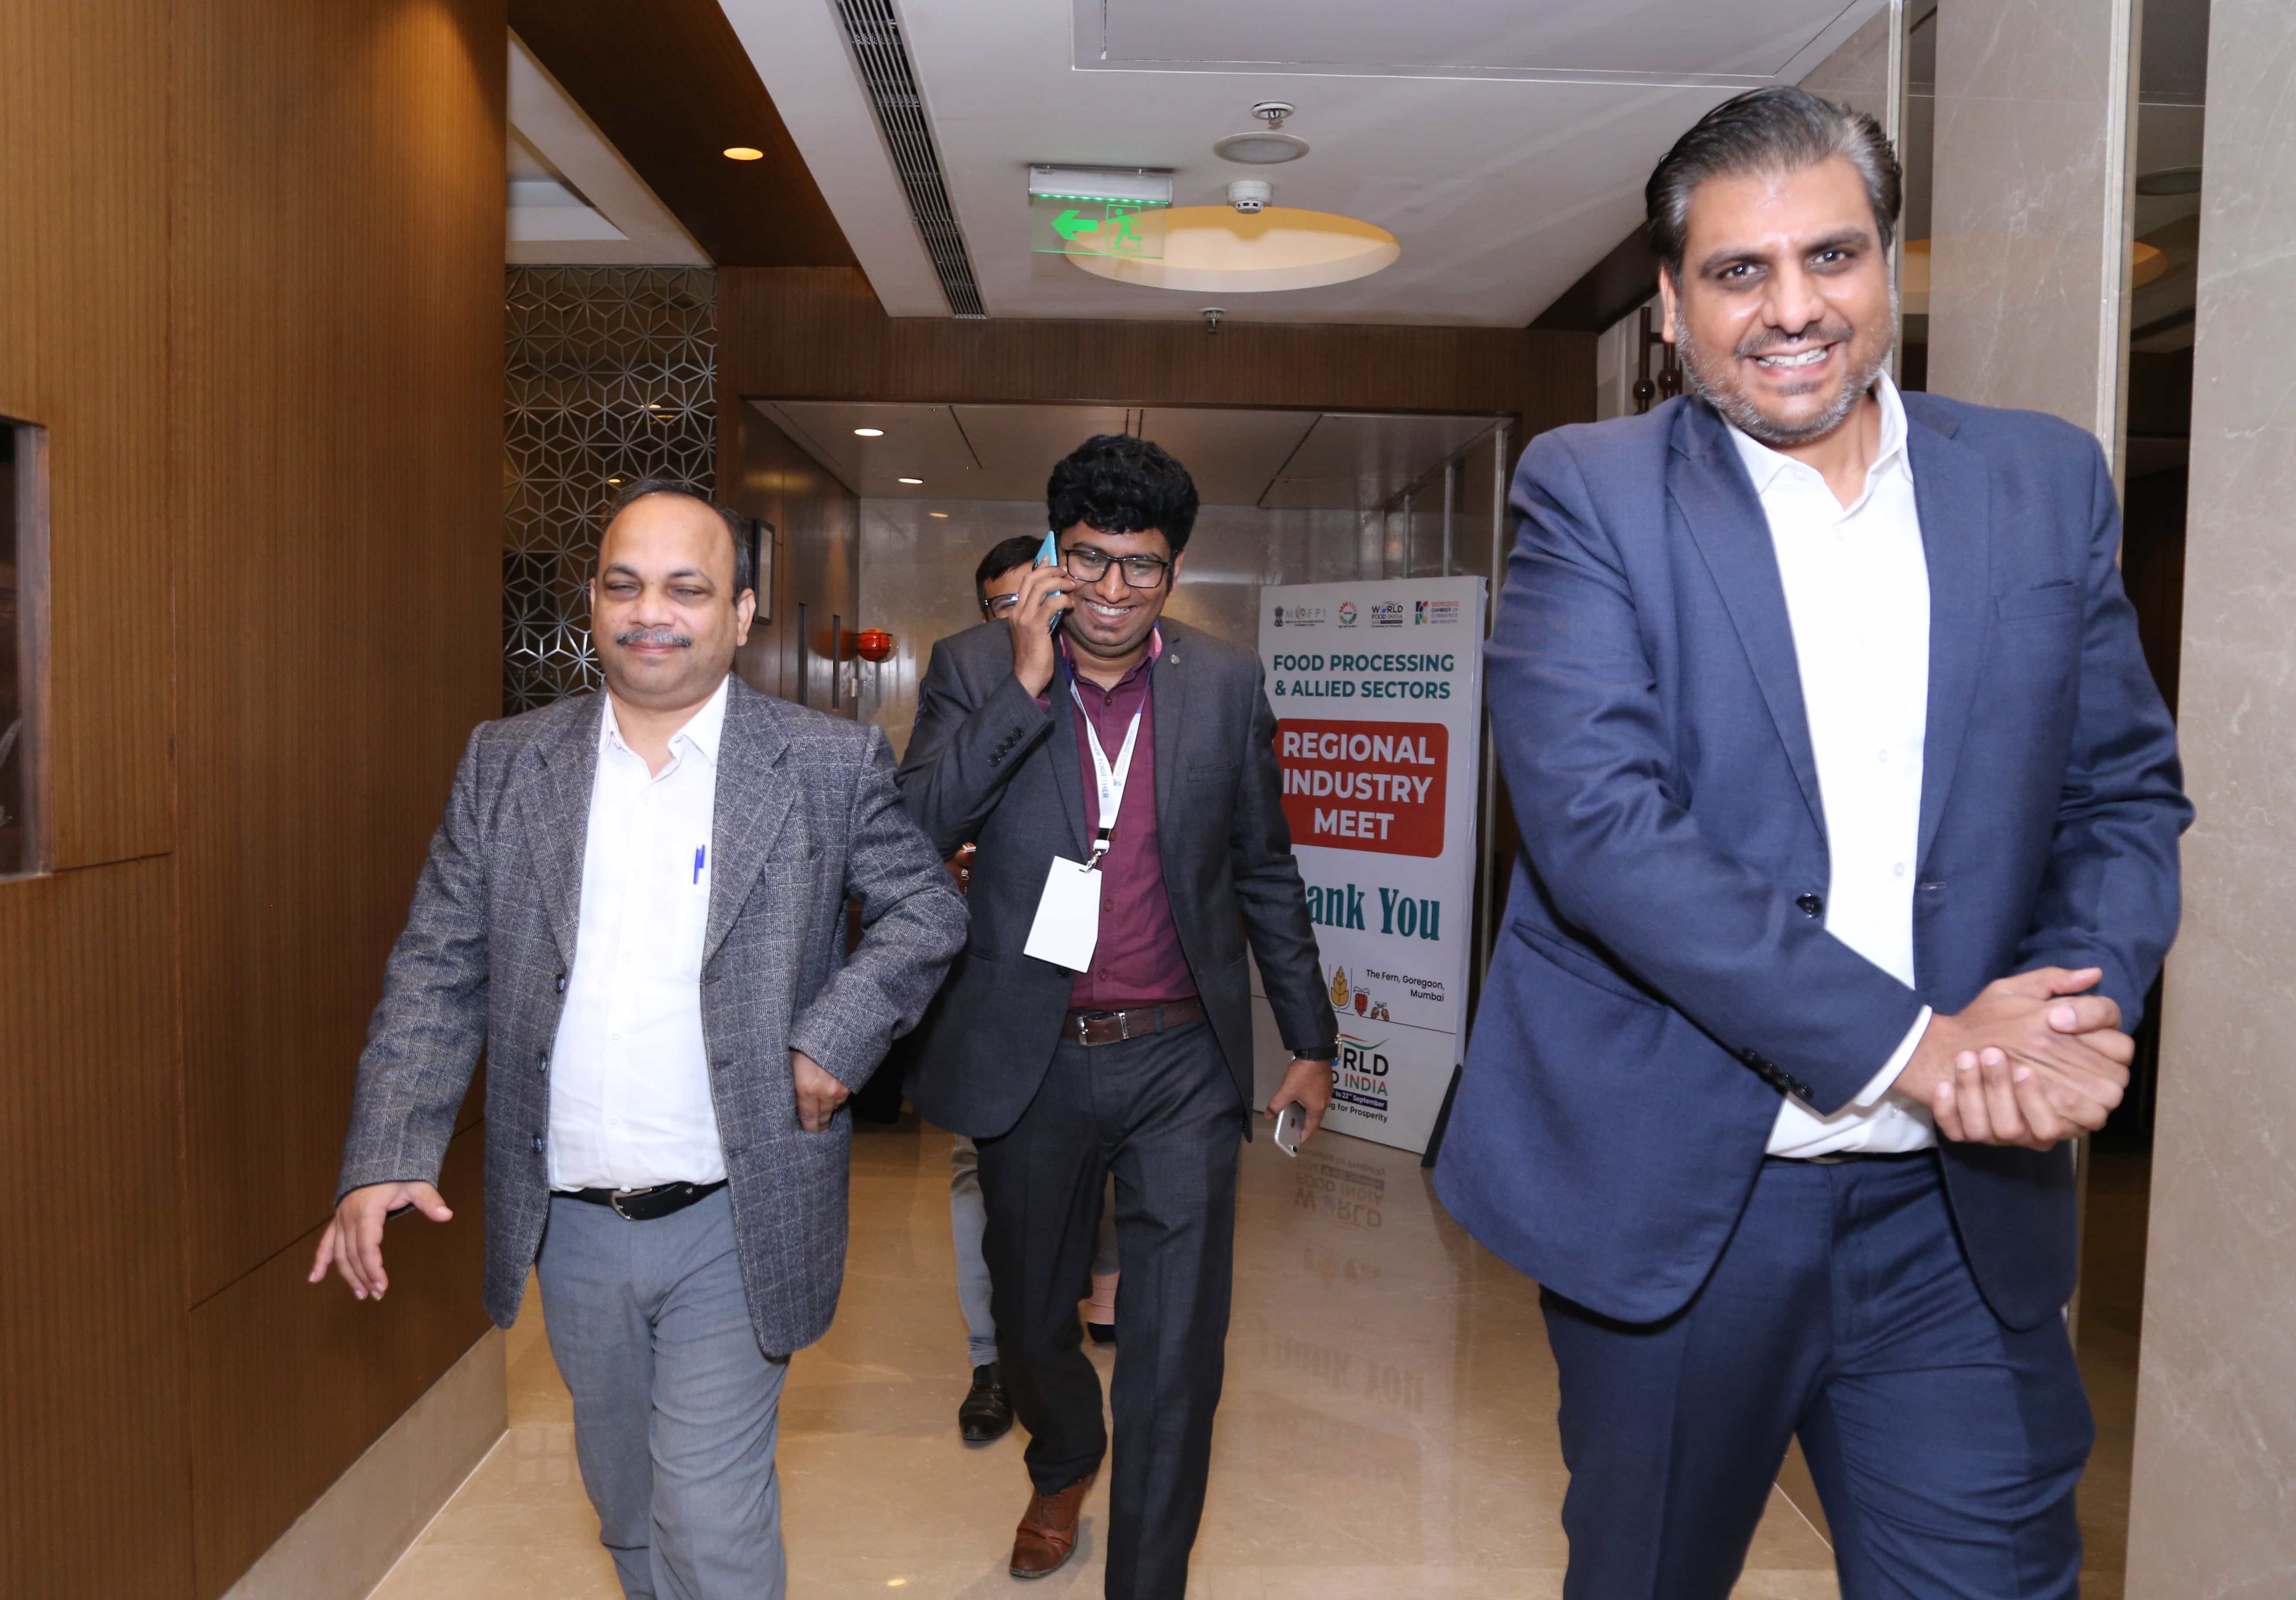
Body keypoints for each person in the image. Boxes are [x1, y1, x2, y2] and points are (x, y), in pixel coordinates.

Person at [1434, 86, 2191, 1598]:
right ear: (1672, 306)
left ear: (1888, 266)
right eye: (1740, 271)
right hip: (1685, 1206)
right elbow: (1602, 831)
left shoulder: (2040, 481)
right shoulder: (1593, 494)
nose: (1793, 309)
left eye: (1831, 257)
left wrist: (2058, 1015)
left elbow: (2120, 793)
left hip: (1958, 1212)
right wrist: (1917, 1047)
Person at [309, 479, 966, 1600]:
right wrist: (387, 1152)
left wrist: (835, 1037)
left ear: (741, 614)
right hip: (572, 1220)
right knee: (628, 1507)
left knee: (707, 1513)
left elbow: (927, 911)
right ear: (596, 603)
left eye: (686, 589)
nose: (650, 612)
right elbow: (438, 965)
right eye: (625, 585)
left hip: (738, 1210)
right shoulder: (509, 762)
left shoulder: (823, 762)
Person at [899, 435, 1338, 1596]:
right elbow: (913, 830)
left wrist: (1311, 1039)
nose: (1111, 590)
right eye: (1088, 559)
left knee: (1177, 1344)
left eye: (1140, 566)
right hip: (1030, 1059)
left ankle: (1148, 1578)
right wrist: (1024, 681)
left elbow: (1265, 869)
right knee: (1031, 1318)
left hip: (1181, 1059)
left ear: (1174, 570)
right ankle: (1065, 1455)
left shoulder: (1225, 684)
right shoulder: (974, 667)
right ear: (1056, 553)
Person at [944, 537, 1123, 1448]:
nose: (1029, 617)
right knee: (980, 1182)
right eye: (1004, 605)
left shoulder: (1114, 688)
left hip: (1103, 991)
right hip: (999, 995)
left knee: (1100, 1171)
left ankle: (1091, 1304)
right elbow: (923, 810)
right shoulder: (973, 682)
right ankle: (992, 1360)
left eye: (1042, 596)